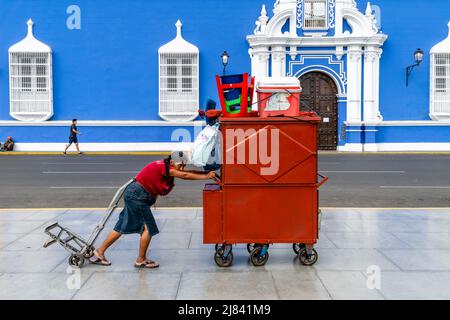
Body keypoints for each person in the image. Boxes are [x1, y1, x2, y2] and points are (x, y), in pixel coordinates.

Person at [91, 151, 216, 269]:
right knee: (148, 228)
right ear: (172, 162)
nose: (182, 167)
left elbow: (187, 172)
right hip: (138, 196)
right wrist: (205, 177)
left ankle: (99, 252)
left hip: (135, 194)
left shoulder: (168, 166)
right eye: (180, 165)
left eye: (184, 165)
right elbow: (185, 175)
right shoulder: (165, 168)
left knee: (121, 225)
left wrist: (206, 173)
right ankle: (141, 259)